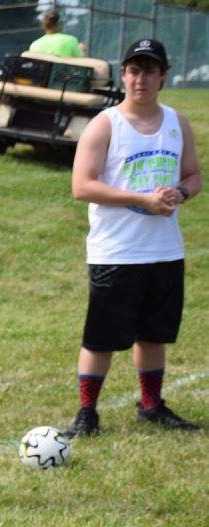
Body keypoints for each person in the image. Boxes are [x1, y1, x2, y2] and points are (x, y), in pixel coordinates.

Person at [67, 39, 201, 436]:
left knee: (154, 333)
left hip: (164, 249)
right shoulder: (106, 125)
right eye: (134, 70)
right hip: (117, 251)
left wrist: (182, 193)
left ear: (163, 76)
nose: (140, 79)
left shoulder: (178, 123)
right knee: (102, 337)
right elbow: (82, 186)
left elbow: (193, 175)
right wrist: (140, 199)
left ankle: (151, 405)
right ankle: (87, 414)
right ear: (124, 75)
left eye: (149, 71)